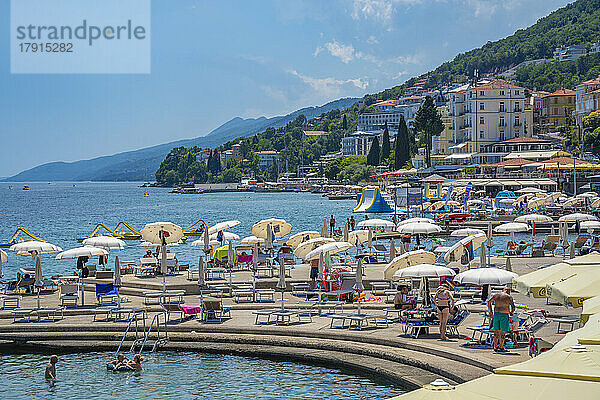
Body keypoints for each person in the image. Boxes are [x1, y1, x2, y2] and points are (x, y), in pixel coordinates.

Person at [487, 287, 516, 353]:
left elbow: (489, 302)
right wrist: (511, 312)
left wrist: (490, 311)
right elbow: (513, 307)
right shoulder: (509, 297)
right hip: (504, 315)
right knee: (503, 332)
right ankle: (501, 347)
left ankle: (495, 347)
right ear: (508, 291)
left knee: (496, 331)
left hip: (496, 314)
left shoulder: (496, 295)